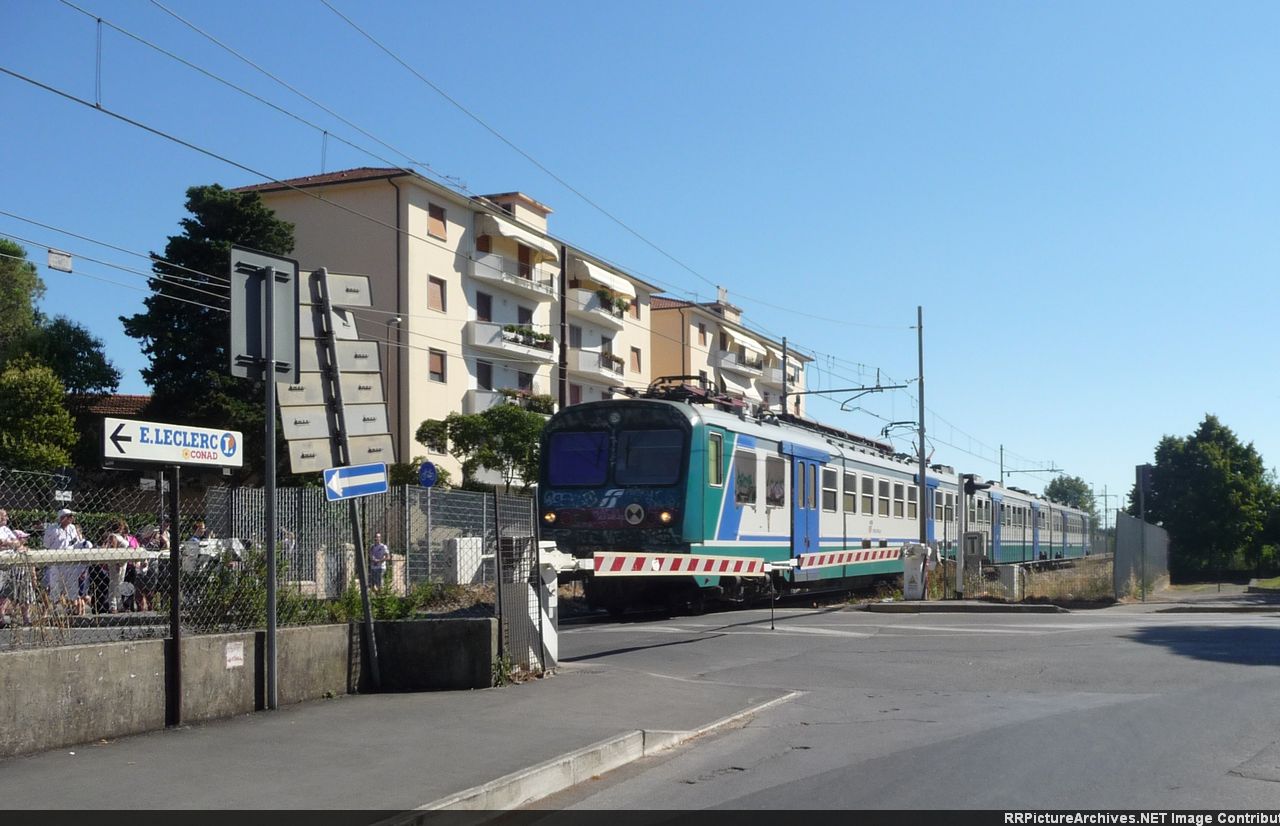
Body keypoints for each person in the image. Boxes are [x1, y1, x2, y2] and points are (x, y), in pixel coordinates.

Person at [43, 508, 87, 615]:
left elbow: (77, 542)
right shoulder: (52, 529)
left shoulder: (72, 528)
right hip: (56, 562)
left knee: (72, 586)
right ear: (62, 518)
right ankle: (53, 609)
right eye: (69, 517)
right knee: (55, 586)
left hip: (70, 562)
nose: (72, 519)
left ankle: (72, 609)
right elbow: (47, 544)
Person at [0, 509, 33, 626]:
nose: (7, 518)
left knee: (5, 592)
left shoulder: (6, 530)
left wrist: (5, 542)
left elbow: (17, 543)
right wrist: (8, 543)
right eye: (4, 516)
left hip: (9, 564)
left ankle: (3, 618)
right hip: (1, 563)